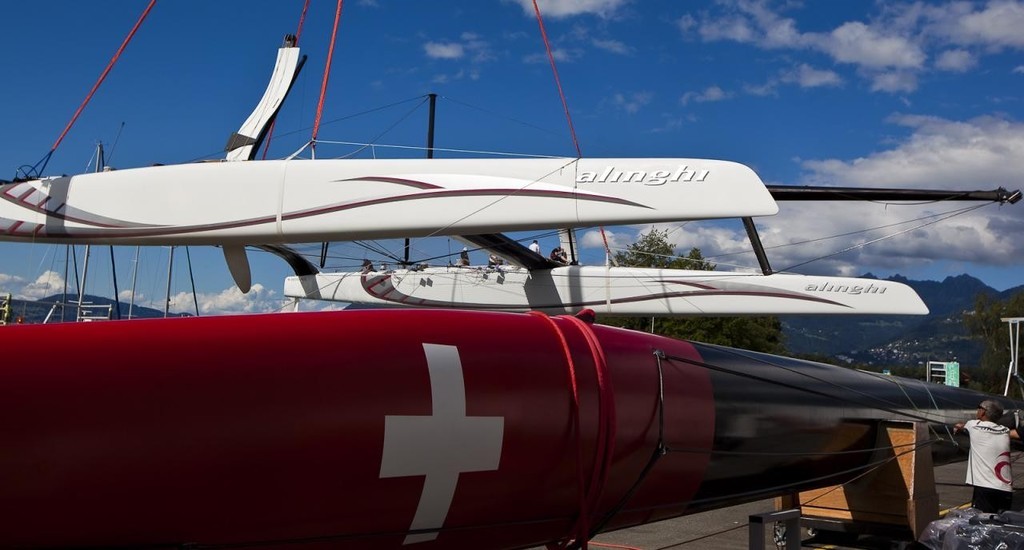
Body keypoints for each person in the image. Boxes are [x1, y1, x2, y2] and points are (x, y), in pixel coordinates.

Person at [955, 399, 1018, 513]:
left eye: (979, 407)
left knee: (982, 525)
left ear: (983, 412)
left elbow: (961, 426)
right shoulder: (1004, 430)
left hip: (985, 487)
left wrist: (958, 427)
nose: (977, 410)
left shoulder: (973, 425)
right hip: (1005, 488)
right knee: (1001, 525)